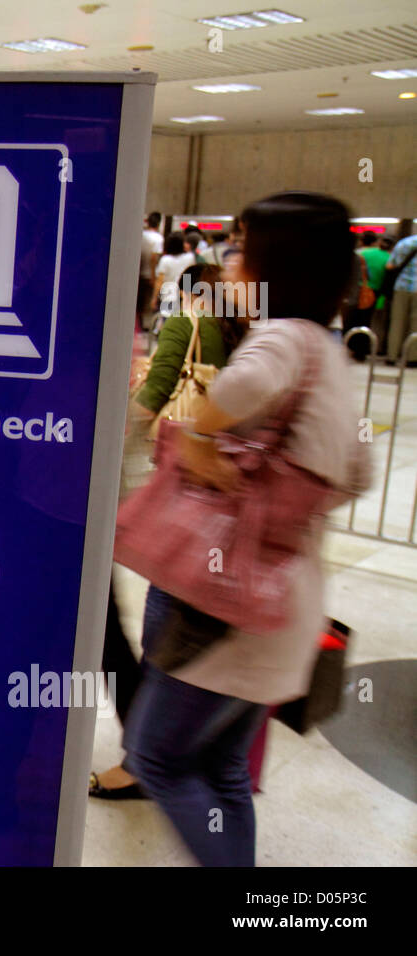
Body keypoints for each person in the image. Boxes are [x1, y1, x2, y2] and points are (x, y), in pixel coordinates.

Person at [122, 191, 372, 866]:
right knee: (224, 767)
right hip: (286, 598)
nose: (230, 262)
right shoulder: (329, 350)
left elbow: (233, 394)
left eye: (241, 246)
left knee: (158, 757)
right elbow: (358, 470)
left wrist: (202, 435)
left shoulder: (282, 338)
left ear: (272, 264)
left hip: (228, 600)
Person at [91, 262, 246, 799]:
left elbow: (151, 400)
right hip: (229, 507)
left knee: (157, 631)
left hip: (182, 497)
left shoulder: (188, 324)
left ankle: (145, 760)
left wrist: (108, 440)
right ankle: (183, 750)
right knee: (187, 631)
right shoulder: (248, 331)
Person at [384, 231, 417, 365]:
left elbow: (390, 265)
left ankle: (392, 356)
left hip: (401, 287)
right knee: (415, 325)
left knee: (397, 322)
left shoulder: (404, 243)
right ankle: (412, 358)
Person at [151, 232, 195, 326]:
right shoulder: (190, 258)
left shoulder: (165, 260)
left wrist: (154, 298)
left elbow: (159, 281)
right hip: (185, 296)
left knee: (167, 323)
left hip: (168, 296)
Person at [138, 212, 164, 328]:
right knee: (148, 303)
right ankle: (145, 326)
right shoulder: (158, 238)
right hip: (149, 274)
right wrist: (153, 275)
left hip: (139, 273)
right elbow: (154, 257)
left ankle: (137, 325)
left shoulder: (141, 235)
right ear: (158, 224)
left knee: (138, 302)